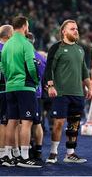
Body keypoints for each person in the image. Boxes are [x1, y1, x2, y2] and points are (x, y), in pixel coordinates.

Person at [44, 19, 91, 164]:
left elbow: (84, 71)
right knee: (58, 123)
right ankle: (53, 153)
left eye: (76, 28)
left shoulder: (80, 49)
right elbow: (49, 68)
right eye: (72, 29)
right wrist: (51, 86)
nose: (76, 31)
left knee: (74, 124)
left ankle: (70, 154)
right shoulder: (56, 48)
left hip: (77, 93)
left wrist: (89, 87)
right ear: (63, 31)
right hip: (61, 93)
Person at [1, 16, 42, 168]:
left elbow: (2, 67)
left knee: (11, 121)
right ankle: (24, 158)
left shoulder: (6, 45)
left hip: (10, 87)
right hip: (25, 86)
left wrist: (9, 81)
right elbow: (31, 66)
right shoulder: (26, 43)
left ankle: (10, 154)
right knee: (26, 122)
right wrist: (36, 81)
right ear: (24, 26)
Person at [26, 32, 47, 161]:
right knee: (37, 123)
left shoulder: (21, 55)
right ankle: (38, 151)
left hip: (25, 92)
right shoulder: (41, 57)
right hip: (38, 94)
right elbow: (45, 77)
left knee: (24, 123)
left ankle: (26, 149)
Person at [0, 25, 14, 164]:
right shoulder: (7, 49)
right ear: (9, 36)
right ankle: (4, 154)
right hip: (5, 89)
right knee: (5, 122)